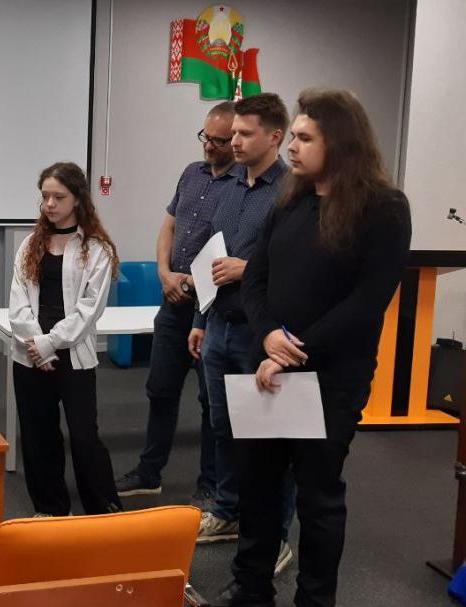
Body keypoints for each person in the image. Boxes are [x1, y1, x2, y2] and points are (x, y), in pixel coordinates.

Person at [214, 88, 412, 607]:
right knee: (257, 487)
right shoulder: (292, 199)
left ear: (340, 142)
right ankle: (251, 588)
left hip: (330, 378)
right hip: (268, 368)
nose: (292, 147)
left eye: (304, 138)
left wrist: (288, 352)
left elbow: (368, 301)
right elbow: (255, 278)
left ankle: (315, 599)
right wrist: (267, 337)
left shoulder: (384, 208)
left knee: (318, 499)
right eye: (294, 136)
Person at [189, 94, 296, 574]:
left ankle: (275, 536)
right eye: (232, 133)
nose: (233, 141)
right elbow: (211, 256)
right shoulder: (230, 184)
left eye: (244, 133)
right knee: (224, 429)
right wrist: (200, 320)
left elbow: (303, 266)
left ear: (274, 137)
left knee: (271, 440)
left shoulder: (292, 192)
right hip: (219, 327)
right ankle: (229, 511)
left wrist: (247, 268)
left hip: (263, 336)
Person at [114, 102, 237, 509]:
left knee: (210, 399)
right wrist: (164, 273)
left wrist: (189, 282)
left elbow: (231, 252)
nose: (210, 146)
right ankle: (149, 473)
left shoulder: (241, 187)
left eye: (219, 141)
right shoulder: (191, 173)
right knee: (160, 390)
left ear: (236, 140)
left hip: (212, 306)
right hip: (173, 303)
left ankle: (209, 484)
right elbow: (169, 226)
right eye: (206, 137)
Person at [8, 162, 122, 517]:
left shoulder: (97, 249)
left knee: (84, 437)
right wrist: (37, 345)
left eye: (58, 197)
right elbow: (18, 302)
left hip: (72, 354)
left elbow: (89, 311)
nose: (50, 204)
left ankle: (102, 511)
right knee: (38, 436)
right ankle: (51, 509)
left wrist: (50, 343)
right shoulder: (30, 244)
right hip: (30, 355)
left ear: (77, 199)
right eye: (45, 196)